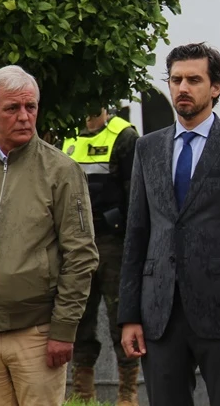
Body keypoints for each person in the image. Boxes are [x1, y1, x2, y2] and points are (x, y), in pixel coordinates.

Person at [118, 43, 220, 406]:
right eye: (175, 80)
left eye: (193, 79)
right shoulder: (147, 148)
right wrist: (129, 315)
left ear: (215, 87)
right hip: (160, 314)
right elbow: (136, 233)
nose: (182, 87)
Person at [0, 65, 99, 406]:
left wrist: (63, 329)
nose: (25, 117)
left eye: (31, 107)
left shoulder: (62, 172)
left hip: (38, 335)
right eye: (13, 108)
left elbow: (81, 256)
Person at [62, 108, 141, 405]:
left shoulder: (124, 136)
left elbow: (136, 198)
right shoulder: (67, 137)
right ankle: (83, 395)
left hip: (113, 243)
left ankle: (127, 395)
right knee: (79, 320)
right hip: (75, 244)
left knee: (121, 319)